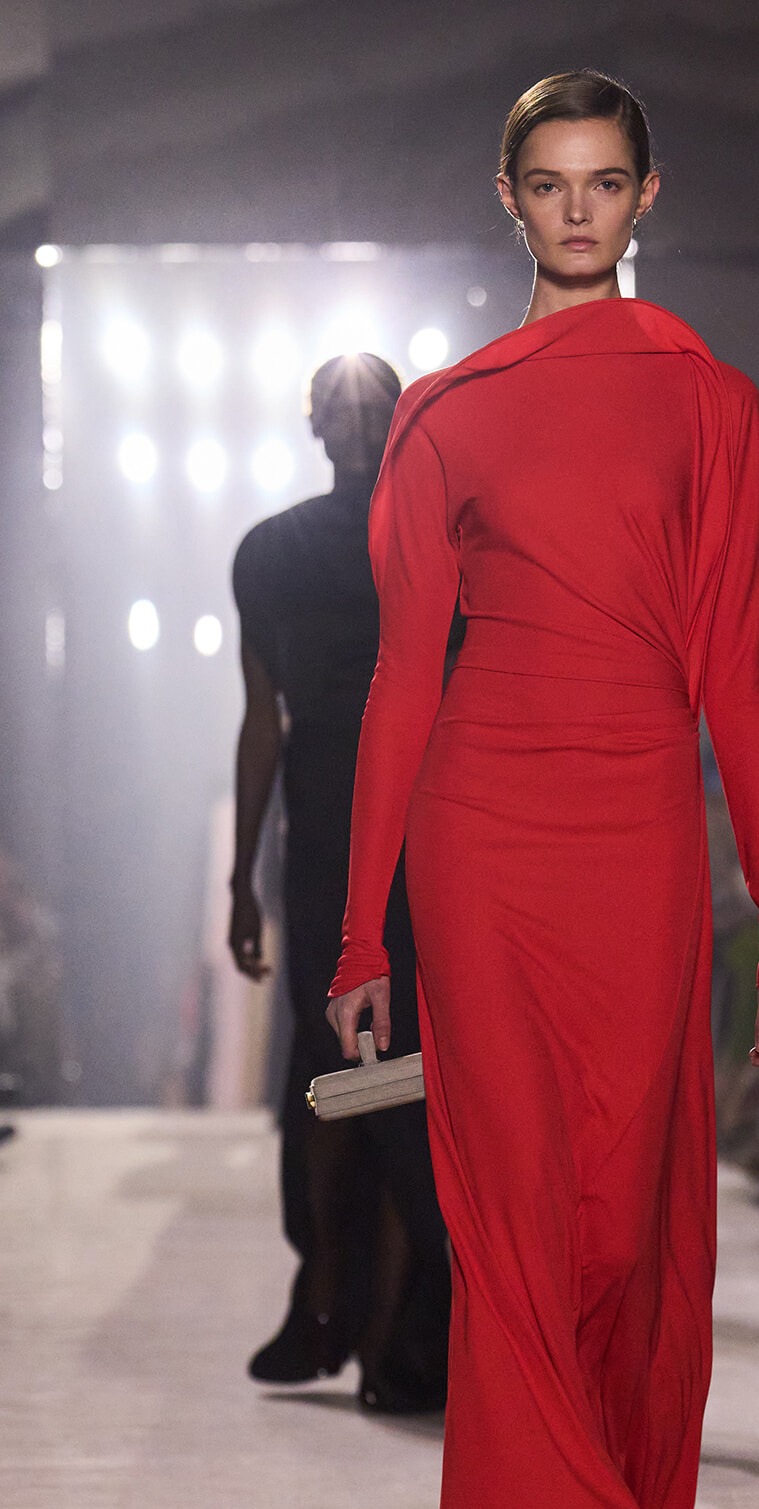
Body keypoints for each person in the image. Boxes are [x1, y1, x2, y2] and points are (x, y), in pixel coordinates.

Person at [327, 70, 759, 1509]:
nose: (580, 208)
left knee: (623, 1221)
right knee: (520, 1217)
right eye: (552, 183)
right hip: (482, 835)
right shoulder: (447, 411)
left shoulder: (712, 401)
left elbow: (736, 671)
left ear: (646, 195)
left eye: (606, 181)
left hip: (641, 831)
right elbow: (404, 678)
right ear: (511, 199)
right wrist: (360, 928)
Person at [231, 353, 451, 1414]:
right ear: (313, 424)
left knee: (385, 1069)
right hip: (339, 832)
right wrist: (241, 876)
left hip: (407, 831)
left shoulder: (437, 537)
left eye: (371, 405)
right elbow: (260, 721)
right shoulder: (274, 552)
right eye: (343, 405)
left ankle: (374, 1313)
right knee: (353, 1065)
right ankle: (348, 1298)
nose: (357, 421)